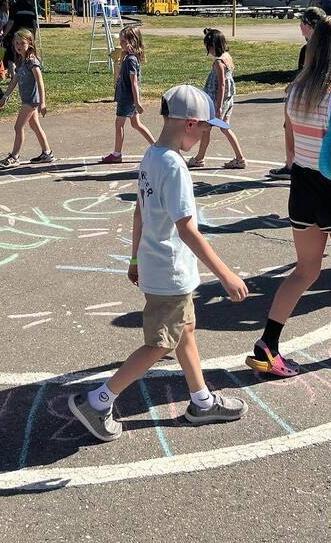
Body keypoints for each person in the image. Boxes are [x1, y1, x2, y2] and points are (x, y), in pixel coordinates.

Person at [68, 84, 250, 441]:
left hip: (154, 263)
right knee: (161, 343)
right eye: (206, 129)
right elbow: (188, 230)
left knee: (184, 330)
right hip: (171, 271)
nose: (206, 136)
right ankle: (99, 400)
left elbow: (140, 211)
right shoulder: (175, 167)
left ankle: (201, 401)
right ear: (190, 124)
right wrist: (226, 274)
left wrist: (134, 257)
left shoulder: (151, 155)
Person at [247, 16, 331, 376]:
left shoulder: (296, 89)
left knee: (305, 269)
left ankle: (268, 344)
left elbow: (291, 144)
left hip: (302, 187)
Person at [269, 7, 325, 180]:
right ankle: (303, 165)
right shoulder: (327, 46)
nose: (300, 25)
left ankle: (292, 165)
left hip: (310, 97)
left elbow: (307, 73)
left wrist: (293, 86)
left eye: (302, 22)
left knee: (293, 127)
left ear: (308, 25)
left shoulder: (309, 49)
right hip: (322, 96)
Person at [187, 28, 246, 170]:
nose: (208, 51)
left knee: (204, 128)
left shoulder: (219, 62)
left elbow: (222, 84)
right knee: (223, 128)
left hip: (216, 102)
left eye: (208, 47)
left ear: (213, 46)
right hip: (227, 100)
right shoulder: (227, 57)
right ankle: (239, 158)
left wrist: (218, 107)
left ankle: (200, 158)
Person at [0, 29, 53, 167]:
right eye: (16, 43)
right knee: (34, 125)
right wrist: (5, 97)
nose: (19, 45)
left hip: (31, 101)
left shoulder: (32, 61)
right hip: (27, 100)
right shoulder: (21, 61)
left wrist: (42, 103)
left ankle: (14, 156)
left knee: (18, 127)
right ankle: (47, 153)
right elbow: (14, 81)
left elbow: (40, 82)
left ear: (30, 44)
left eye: (22, 43)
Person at [100, 27, 155, 164]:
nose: (121, 44)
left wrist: (136, 102)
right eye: (120, 41)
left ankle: (117, 154)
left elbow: (134, 82)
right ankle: (156, 147)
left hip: (127, 99)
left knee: (119, 124)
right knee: (136, 124)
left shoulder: (131, 59)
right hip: (128, 98)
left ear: (133, 42)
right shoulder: (130, 57)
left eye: (123, 41)